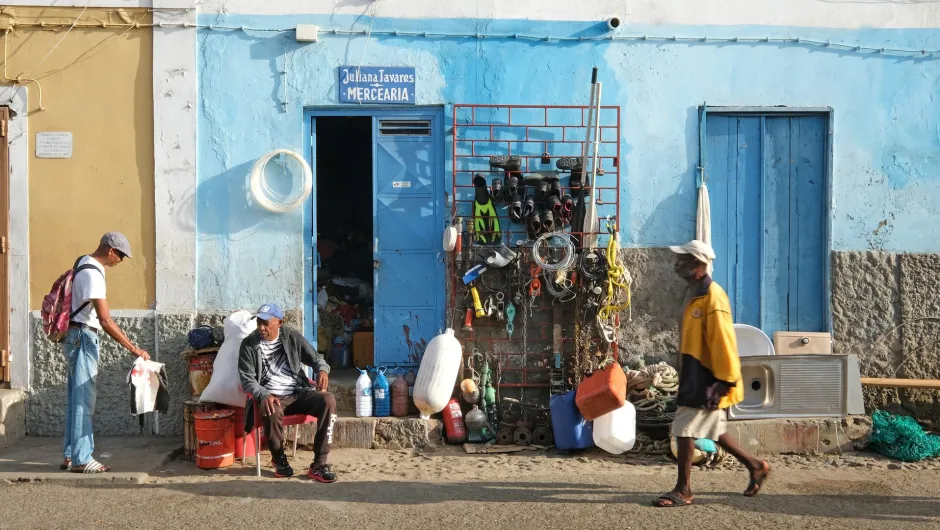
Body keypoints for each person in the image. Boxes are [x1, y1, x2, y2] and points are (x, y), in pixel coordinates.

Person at [654, 240, 770, 507]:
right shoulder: (694, 292)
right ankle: (756, 466)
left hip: (708, 376)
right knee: (715, 431)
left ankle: (683, 490)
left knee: (684, 429)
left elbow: (723, 341)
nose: (677, 264)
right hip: (696, 372)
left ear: (697, 264)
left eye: (683, 259)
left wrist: (726, 380)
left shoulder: (712, 296)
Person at [63, 232, 151, 474]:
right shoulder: (94, 273)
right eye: (121, 255)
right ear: (111, 250)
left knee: (75, 398)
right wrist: (134, 348)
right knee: (84, 400)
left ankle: (71, 454)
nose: (121, 261)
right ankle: (82, 458)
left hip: (73, 336)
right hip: (83, 337)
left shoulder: (82, 262)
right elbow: (105, 320)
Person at [238, 303, 338, 483]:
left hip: (297, 392)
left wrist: (323, 370)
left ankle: (319, 463)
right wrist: (263, 394)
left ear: (279, 323)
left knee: (328, 400)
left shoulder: (291, 336)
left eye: (266, 323)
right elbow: (247, 379)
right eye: (259, 322)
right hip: (272, 397)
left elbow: (316, 359)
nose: (261, 327)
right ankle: (278, 458)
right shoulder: (249, 344)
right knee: (271, 407)